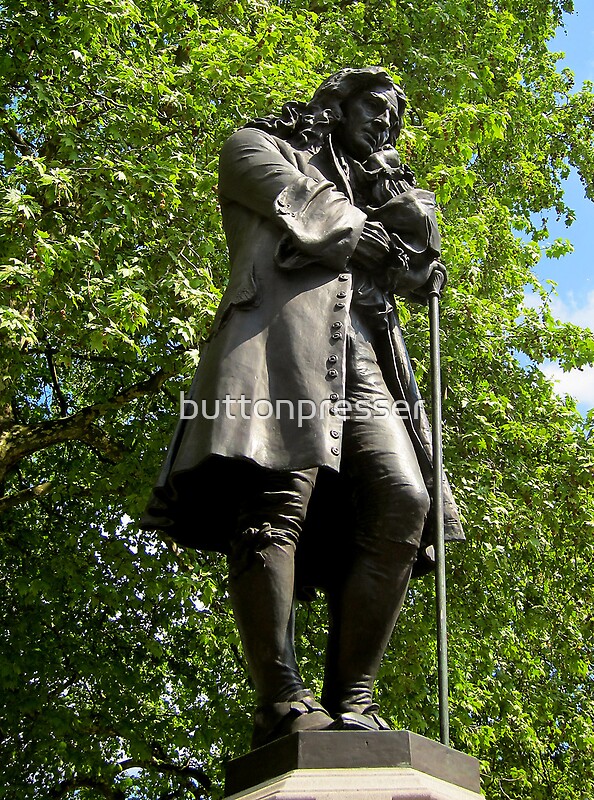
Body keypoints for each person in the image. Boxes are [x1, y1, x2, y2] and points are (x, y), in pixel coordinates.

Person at [141, 67, 463, 749]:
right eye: (375, 109)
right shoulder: (256, 145)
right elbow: (308, 213)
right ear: (335, 104)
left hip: (366, 356)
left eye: (395, 119)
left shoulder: (374, 183)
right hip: (281, 342)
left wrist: (392, 189)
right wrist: (362, 230)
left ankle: (354, 699)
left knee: (405, 500)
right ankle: (281, 698)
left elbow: (418, 266)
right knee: (276, 498)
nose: (386, 124)